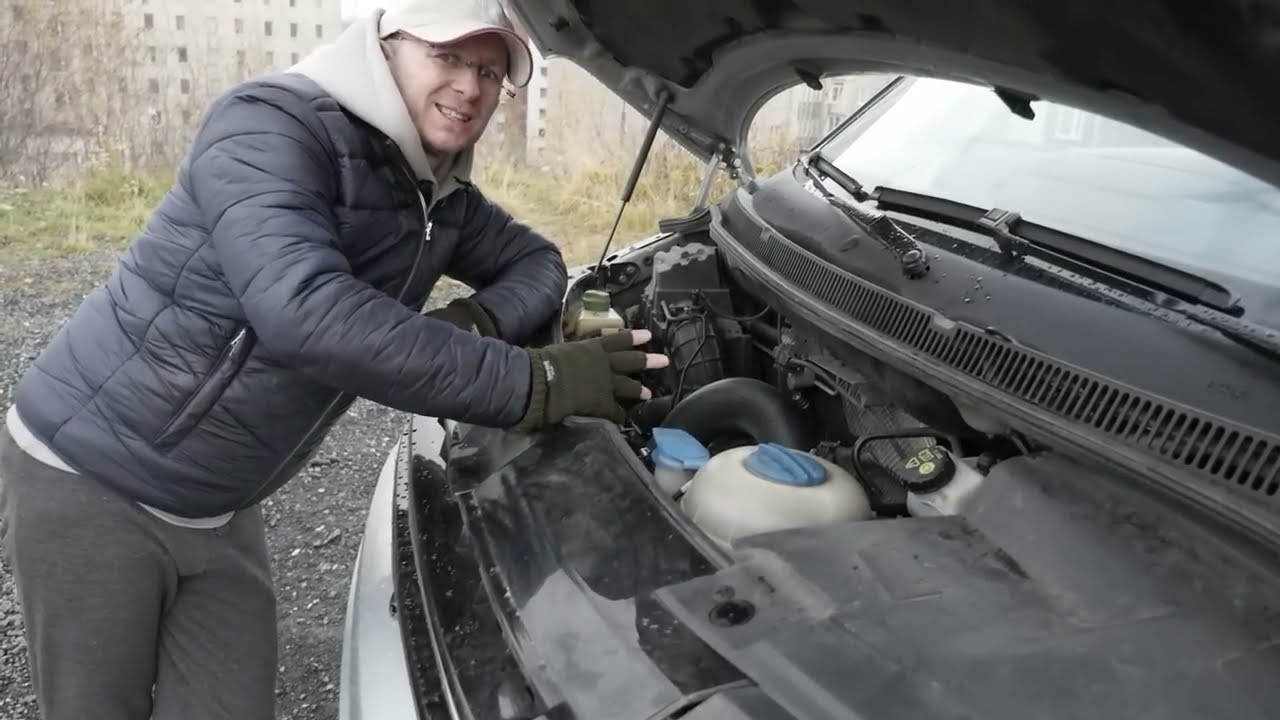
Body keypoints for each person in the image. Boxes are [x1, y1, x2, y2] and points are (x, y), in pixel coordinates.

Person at [0, 1, 666, 718]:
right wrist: (538, 382)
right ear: (384, 46)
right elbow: (304, 312)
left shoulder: (435, 191)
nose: (470, 87)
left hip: (221, 505)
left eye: (489, 71)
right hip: (91, 479)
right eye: (446, 56)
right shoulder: (269, 127)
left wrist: (474, 319)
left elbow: (537, 262)